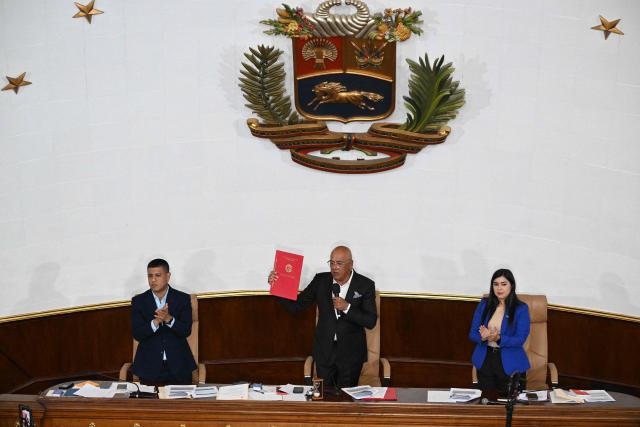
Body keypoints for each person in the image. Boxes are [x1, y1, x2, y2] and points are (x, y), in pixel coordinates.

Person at [268, 246, 377, 388]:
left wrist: (347, 307)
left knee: (347, 400)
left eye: (339, 263)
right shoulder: (321, 281)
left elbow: (370, 321)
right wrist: (277, 286)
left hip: (351, 354)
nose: (334, 267)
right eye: (331, 263)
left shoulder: (365, 285)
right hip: (324, 352)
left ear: (351, 264)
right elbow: (296, 306)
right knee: (325, 398)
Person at [131, 258, 196, 385]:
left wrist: (168, 319)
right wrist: (155, 322)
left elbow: (186, 331)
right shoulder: (139, 301)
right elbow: (137, 334)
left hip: (179, 366)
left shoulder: (182, 299)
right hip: (149, 368)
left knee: (182, 404)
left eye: (158, 275)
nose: (153, 280)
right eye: (150, 276)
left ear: (168, 276)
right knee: (151, 405)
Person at [468, 268, 530, 395]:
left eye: (503, 284)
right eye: (495, 284)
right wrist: (483, 337)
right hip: (485, 360)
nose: (499, 288)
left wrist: (499, 338)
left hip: (509, 361)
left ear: (511, 286)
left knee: (509, 405)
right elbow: (472, 333)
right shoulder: (485, 304)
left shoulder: (520, 308)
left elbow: (520, 339)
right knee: (486, 402)